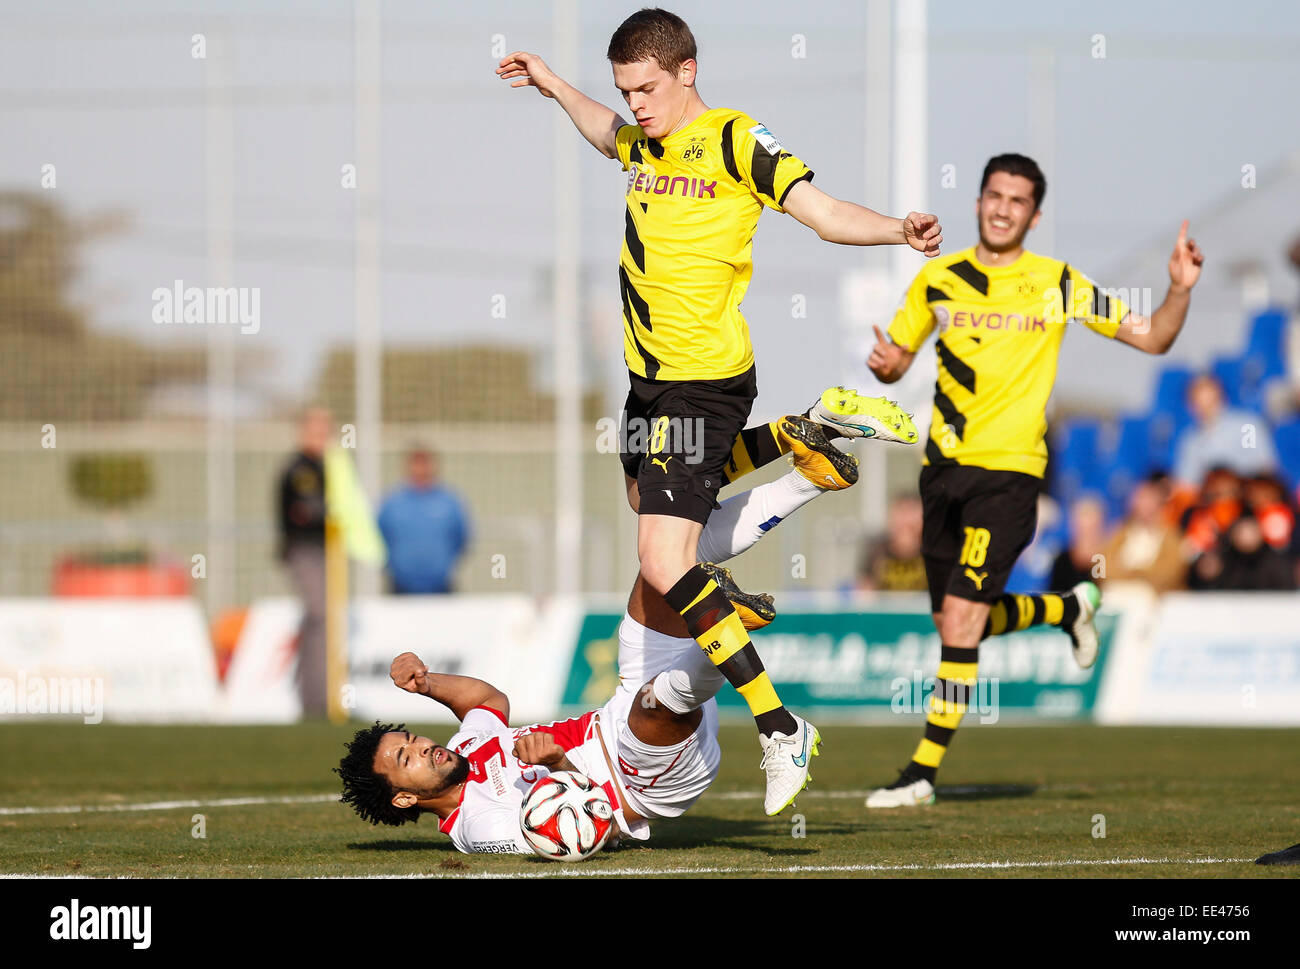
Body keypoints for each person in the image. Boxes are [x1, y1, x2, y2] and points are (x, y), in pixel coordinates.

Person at [496, 8, 938, 815]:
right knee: (650, 500)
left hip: (703, 381)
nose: (636, 104)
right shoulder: (642, 138)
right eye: (626, 88)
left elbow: (819, 208)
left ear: (687, 70)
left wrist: (896, 232)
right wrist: (558, 86)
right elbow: (604, 134)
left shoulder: (736, 138)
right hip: (648, 383)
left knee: (666, 560)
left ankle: (780, 725)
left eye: (648, 88)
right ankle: (805, 430)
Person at [337, 404, 874, 845]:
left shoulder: (471, 747)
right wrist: (561, 762)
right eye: (406, 758)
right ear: (404, 797)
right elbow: (581, 835)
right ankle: (727, 628)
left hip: (617, 711)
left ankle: (807, 481)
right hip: (640, 780)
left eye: (409, 736)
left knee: (664, 557)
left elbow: (487, 702)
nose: (423, 746)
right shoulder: (476, 827)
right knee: (657, 699)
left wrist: (429, 684)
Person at [862, 152, 1205, 808]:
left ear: (1035, 214)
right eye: (994, 195)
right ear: (978, 201)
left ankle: (920, 774)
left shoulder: (1059, 282)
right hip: (941, 474)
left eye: (1017, 200)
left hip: (1012, 473)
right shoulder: (939, 278)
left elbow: (1153, 339)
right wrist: (884, 365)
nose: (1002, 208)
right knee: (958, 623)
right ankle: (1067, 606)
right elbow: (895, 359)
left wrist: (1179, 289)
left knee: (962, 623)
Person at [276, 405, 331, 718]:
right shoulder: (302, 469)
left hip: (323, 550)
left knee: (319, 621)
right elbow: (307, 512)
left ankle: (318, 696)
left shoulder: (324, 466)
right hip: (305, 549)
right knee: (319, 615)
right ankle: (315, 699)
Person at [376, 446, 470, 594]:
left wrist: (444, 566)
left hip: (441, 587)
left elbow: (461, 538)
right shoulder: (393, 502)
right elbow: (379, 537)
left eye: (424, 463)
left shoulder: (449, 502)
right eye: (416, 464)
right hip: (400, 587)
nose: (420, 469)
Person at [1173, 374, 1277, 488]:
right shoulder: (1190, 440)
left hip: (1245, 495)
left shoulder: (1246, 426)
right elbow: (1186, 481)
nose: (1205, 407)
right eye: (1198, 402)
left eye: (1211, 400)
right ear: (1190, 406)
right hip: (1208, 500)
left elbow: (1263, 466)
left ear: (1222, 397)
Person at [1097, 473, 1186, 594]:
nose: (1144, 503)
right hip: (1118, 595)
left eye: (1148, 497)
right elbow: (1102, 569)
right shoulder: (1119, 533)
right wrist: (1137, 575)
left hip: (1156, 600)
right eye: (1140, 497)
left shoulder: (1171, 536)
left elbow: (1171, 573)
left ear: (1158, 501)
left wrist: (1133, 573)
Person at [855, 495, 928, 592]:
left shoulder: (933, 551)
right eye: (902, 514)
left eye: (911, 514)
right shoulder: (877, 550)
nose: (906, 521)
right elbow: (864, 590)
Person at [1047, 495, 1107, 591]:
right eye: (1081, 526)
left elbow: (1104, 590)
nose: (1086, 532)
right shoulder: (1062, 560)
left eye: (1091, 527)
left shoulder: (1103, 559)